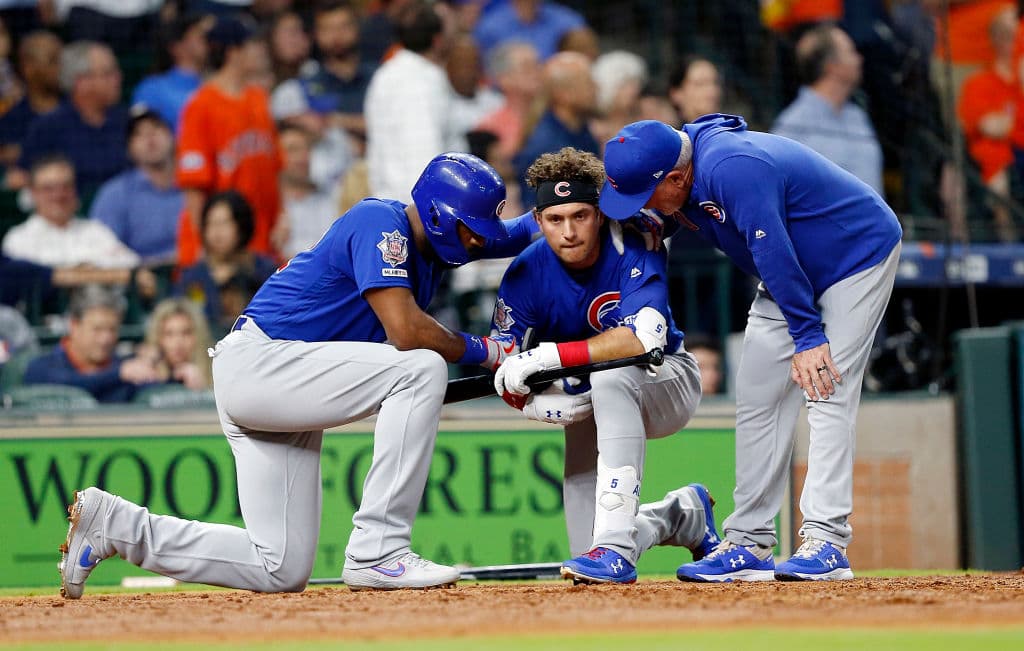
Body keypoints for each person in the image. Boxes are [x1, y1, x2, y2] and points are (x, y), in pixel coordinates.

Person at [58, 152, 538, 599]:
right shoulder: (380, 222)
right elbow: (405, 330)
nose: (479, 240)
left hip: (285, 378)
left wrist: (569, 200)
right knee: (421, 368)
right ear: (436, 216)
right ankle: (379, 549)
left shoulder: (439, 240)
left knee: (280, 567)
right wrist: (488, 351)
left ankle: (115, 526)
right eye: (471, 230)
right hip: (263, 363)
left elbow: (520, 232)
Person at [599, 116, 902, 582]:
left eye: (645, 195)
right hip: (794, 270)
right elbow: (681, 215)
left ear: (676, 178)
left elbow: (772, 250)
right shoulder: (683, 169)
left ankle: (827, 540)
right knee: (758, 395)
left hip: (855, 257)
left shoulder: (731, 166)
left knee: (825, 387)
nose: (641, 206)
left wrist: (808, 337)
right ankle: (749, 542)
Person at [491, 147, 717, 584]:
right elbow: (504, 362)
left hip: (666, 378)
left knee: (610, 373)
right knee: (585, 554)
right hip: (590, 391)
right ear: (538, 221)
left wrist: (551, 358)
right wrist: (527, 401)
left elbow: (642, 338)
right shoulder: (525, 273)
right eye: (555, 219)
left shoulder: (635, 238)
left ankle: (615, 548)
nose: (569, 231)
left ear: (599, 214)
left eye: (580, 215)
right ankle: (678, 517)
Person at [176, 15, 281, 268]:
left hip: (261, 237)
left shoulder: (259, 98)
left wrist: (282, 217)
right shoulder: (200, 106)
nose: (261, 51)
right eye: (252, 45)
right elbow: (194, 186)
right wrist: (204, 246)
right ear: (233, 52)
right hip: (222, 242)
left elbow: (276, 167)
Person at [771, 23, 885, 197]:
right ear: (832, 66)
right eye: (851, 52)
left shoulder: (857, 116)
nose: (859, 59)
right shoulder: (791, 126)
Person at [364, 1, 461, 202]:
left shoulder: (394, 72)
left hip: (398, 203)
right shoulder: (417, 83)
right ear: (437, 40)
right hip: (418, 208)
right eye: (452, 26)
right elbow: (421, 158)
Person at [12, 40, 129, 197]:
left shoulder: (128, 121)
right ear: (82, 82)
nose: (118, 78)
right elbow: (19, 178)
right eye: (108, 73)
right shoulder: (48, 127)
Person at [23, 285, 162, 402]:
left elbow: (156, 395)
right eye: (97, 329)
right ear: (74, 326)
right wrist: (118, 374)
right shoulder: (42, 367)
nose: (105, 339)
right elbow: (64, 387)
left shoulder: (124, 368)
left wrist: (159, 368)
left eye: (112, 329)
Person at [2, 155, 139, 269]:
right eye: (48, 188)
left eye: (66, 187)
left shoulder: (96, 230)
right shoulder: (18, 239)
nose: (59, 195)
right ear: (33, 193)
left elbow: (133, 266)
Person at [88, 105, 183, 265]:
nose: (150, 138)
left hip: (199, 269)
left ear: (173, 136)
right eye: (139, 134)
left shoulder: (195, 184)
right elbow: (103, 250)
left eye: (156, 128)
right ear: (129, 149)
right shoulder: (115, 195)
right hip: (141, 274)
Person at [175, 190, 278, 334]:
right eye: (211, 224)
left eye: (224, 223)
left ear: (241, 226)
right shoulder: (193, 276)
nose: (217, 233)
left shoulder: (265, 271)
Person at [513, 51, 598, 207]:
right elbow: (536, 210)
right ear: (563, 94)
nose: (596, 88)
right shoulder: (546, 147)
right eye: (588, 83)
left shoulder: (582, 129)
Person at [131, 13, 211, 133]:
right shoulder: (151, 89)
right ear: (177, 47)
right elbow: (140, 134)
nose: (210, 43)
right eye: (202, 37)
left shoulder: (220, 85)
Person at [271, 122, 340, 259]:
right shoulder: (268, 206)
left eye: (307, 149)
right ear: (275, 156)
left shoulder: (333, 197)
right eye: (292, 150)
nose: (303, 157)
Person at [0, 30, 61, 174]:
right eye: (53, 60)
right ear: (28, 68)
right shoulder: (10, 121)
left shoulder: (79, 108)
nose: (61, 67)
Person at [137, 297, 213, 390]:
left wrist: (202, 389)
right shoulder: (145, 372)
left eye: (186, 333)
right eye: (169, 334)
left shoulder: (217, 370)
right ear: (158, 338)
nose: (178, 342)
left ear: (198, 336)